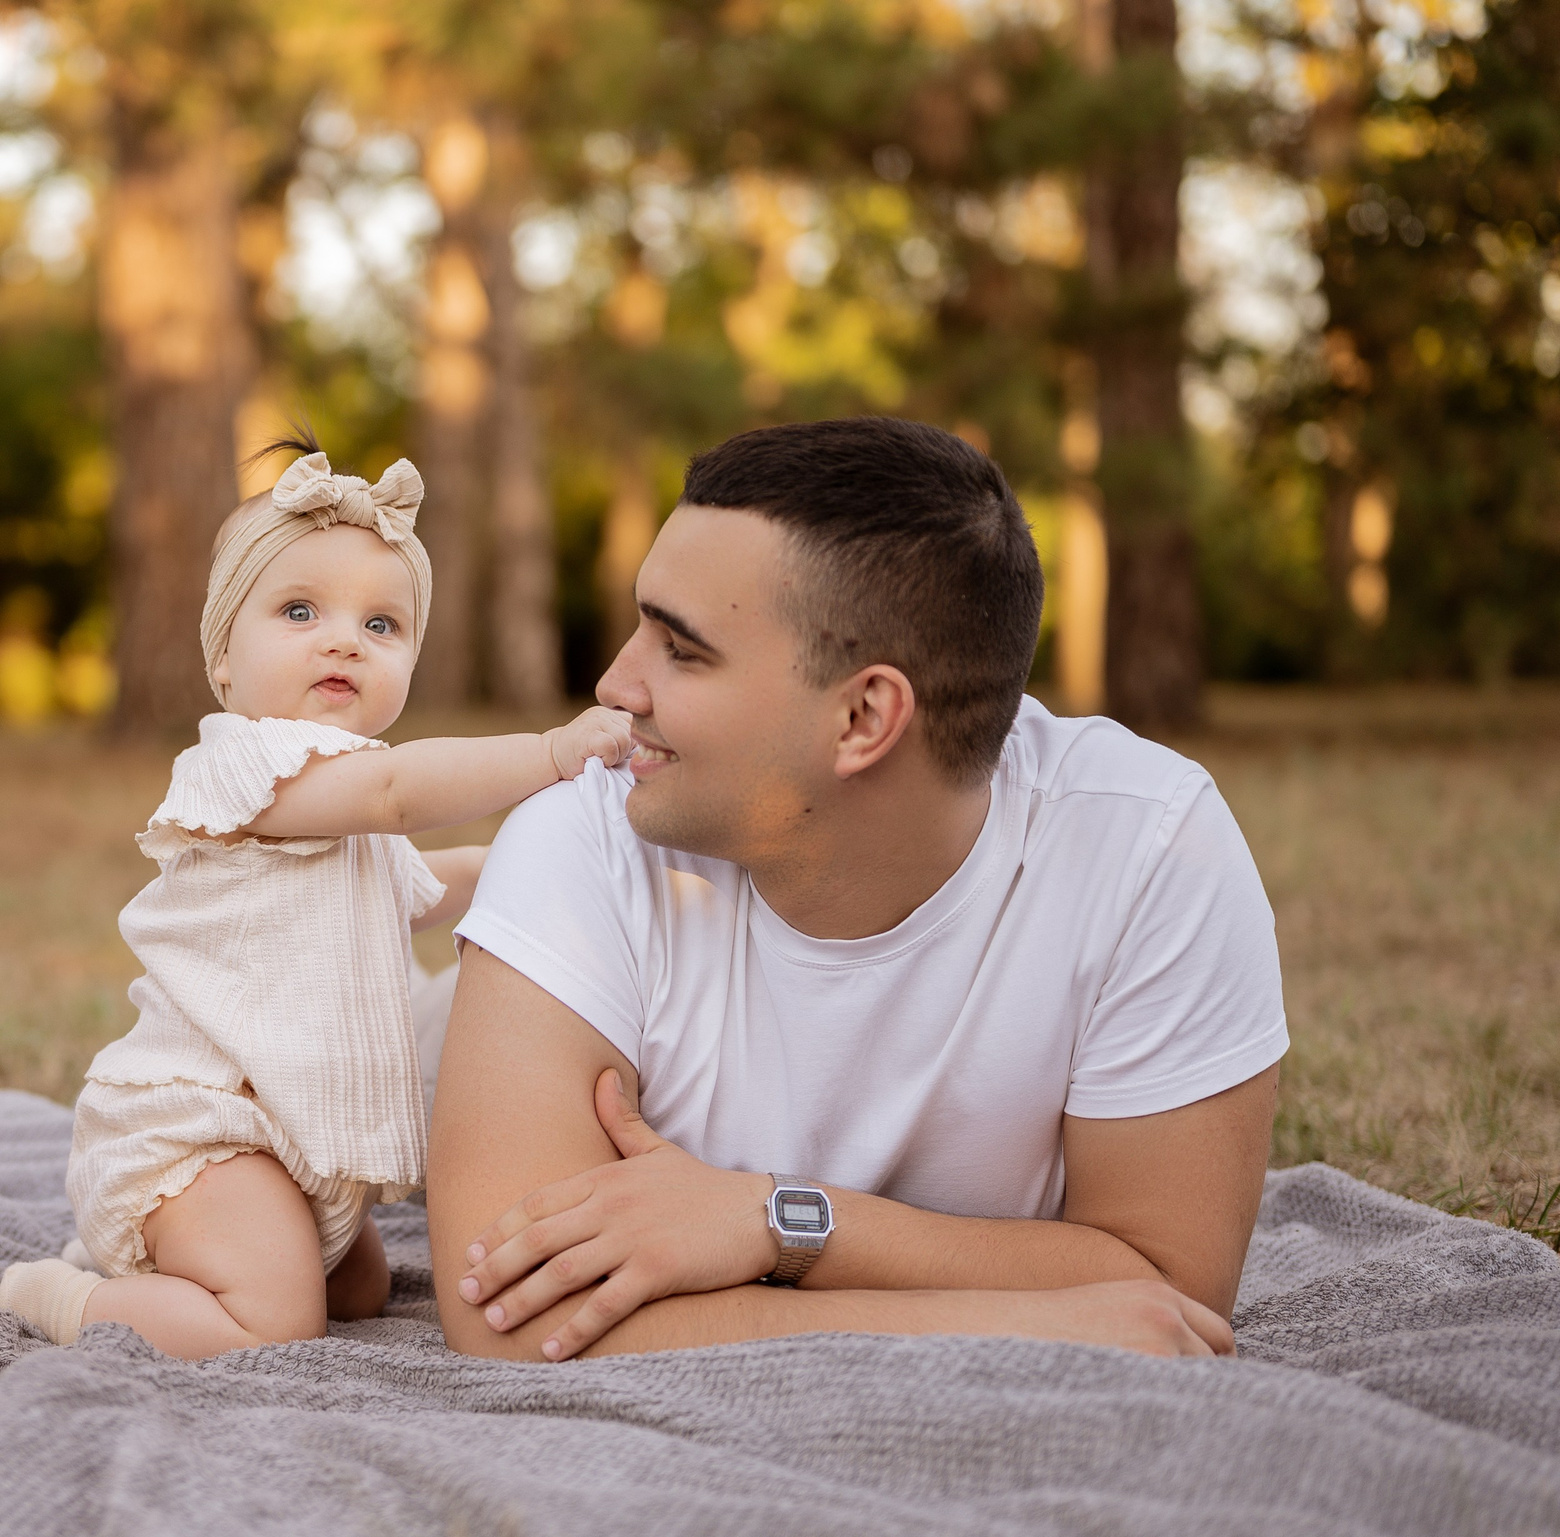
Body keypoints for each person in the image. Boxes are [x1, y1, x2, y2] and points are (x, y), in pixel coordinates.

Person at [427, 417, 1287, 1363]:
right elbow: (509, 1314)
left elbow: (1169, 1294)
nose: (613, 684)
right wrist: (1020, 1319)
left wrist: (773, 1221)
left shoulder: (1149, 850)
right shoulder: (581, 836)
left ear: (864, 718)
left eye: (681, 649)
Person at [0, 444, 631, 1357]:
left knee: (359, 1292)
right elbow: (396, 792)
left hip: (298, 1139)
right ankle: (63, 1297)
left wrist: (568, 855)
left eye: (382, 624)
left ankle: (176, 1271)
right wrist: (550, 754)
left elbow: (432, 881)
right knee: (276, 1323)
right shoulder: (244, 768)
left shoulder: (353, 818)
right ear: (223, 662)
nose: (344, 640)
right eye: (299, 611)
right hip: (203, 1129)